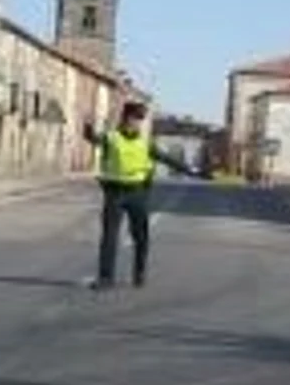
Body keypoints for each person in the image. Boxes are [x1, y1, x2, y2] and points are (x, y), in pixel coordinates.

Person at [80, 100, 202, 291]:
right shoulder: (110, 138)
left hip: (138, 193)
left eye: (139, 119)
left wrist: (191, 170)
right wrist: (86, 126)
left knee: (141, 236)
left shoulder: (145, 144)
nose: (136, 123)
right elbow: (92, 138)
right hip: (114, 192)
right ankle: (105, 279)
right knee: (109, 237)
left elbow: (167, 159)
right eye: (133, 118)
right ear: (124, 118)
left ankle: (139, 273)